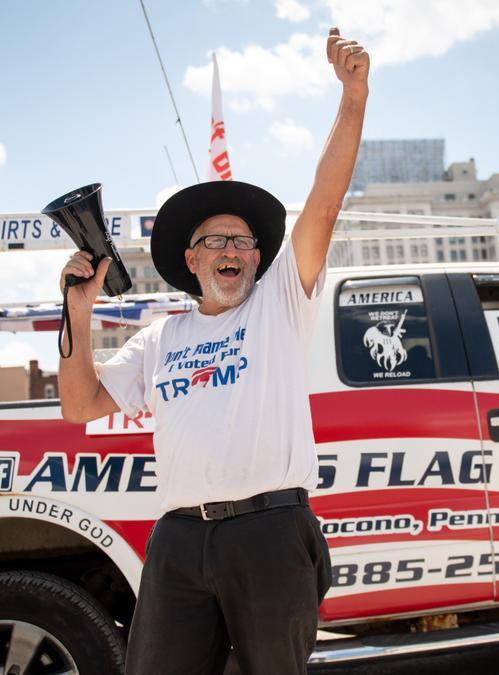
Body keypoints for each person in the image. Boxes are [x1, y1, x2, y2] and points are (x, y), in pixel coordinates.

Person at [57, 27, 369, 675]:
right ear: (190, 260)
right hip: (179, 538)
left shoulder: (281, 300)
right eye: (216, 241)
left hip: (271, 532)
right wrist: (78, 315)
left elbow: (325, 202)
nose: (232, 250)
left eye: (244, 241)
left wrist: (353, 97)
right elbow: (80, 404)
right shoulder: (160, 337)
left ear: (260, 257)